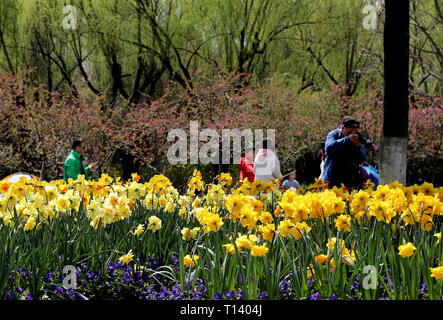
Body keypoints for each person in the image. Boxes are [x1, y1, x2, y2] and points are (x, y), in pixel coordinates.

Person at [322, 118, 367, 189]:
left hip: (350, 180)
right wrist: (347, 140)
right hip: (333, 179)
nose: (352, 135)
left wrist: (358, 147)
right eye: (350, 132)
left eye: (354, 132)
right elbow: (328, 148)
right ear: (343, 128)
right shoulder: (334, 134)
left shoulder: (357, 137)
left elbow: (361, 159)